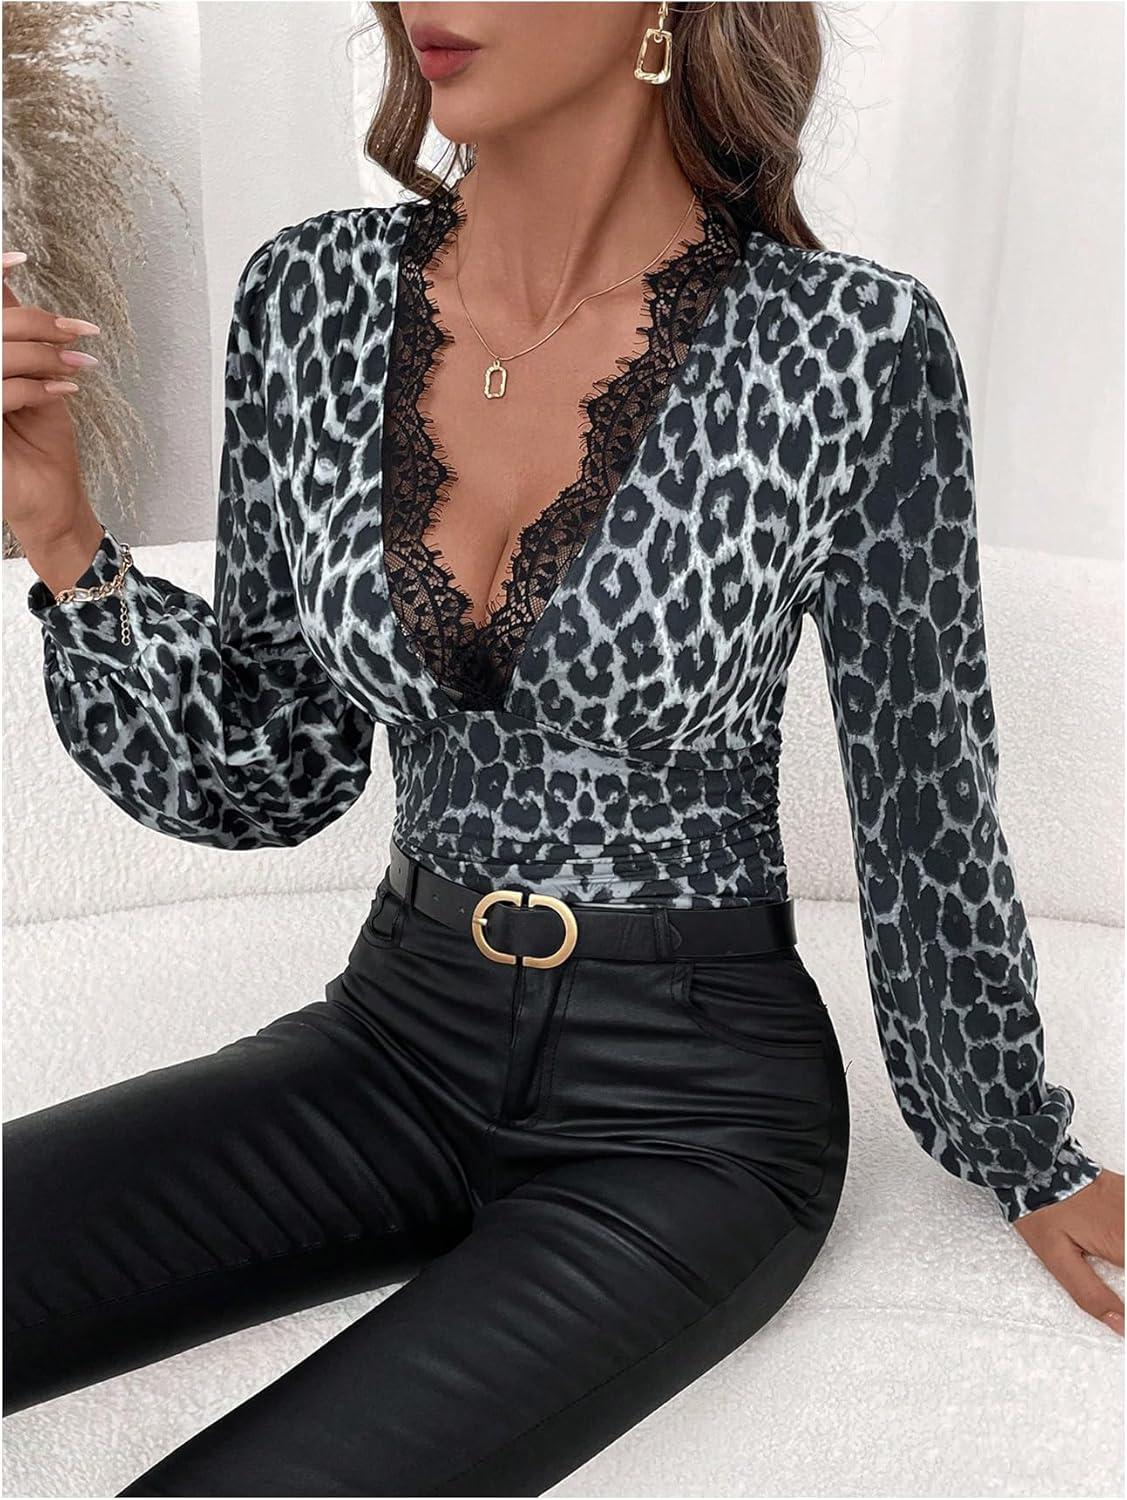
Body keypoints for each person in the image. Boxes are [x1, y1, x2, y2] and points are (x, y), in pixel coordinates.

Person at [2, 2, 1122, 1495]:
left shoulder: (848, 348)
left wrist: (1019, 1145)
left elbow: (926, 797)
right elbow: (272, 765)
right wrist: (61, 531)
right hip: (392, 1036)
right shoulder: (315, 295)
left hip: (693, 1117)